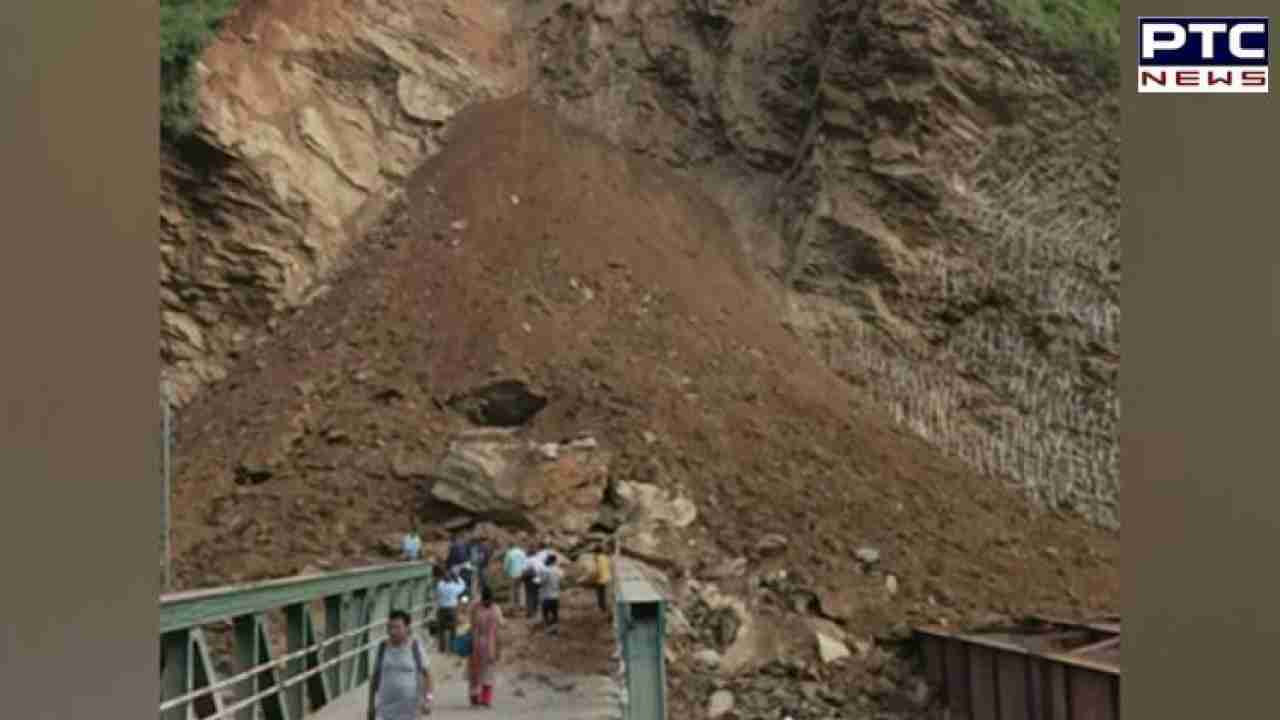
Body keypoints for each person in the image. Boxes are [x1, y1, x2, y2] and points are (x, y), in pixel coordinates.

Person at [367, 609, 433, 720]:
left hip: (411, 712)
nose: (392, 631)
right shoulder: (382, 647)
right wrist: (370, 706)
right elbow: (375, 677)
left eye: (397, 627)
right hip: (384, 711)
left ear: (407, 628)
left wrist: (428, 700)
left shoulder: (415, 647)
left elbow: (428, 675)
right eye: (390, 627)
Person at [466, 586, 505, 707]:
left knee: (483, 671)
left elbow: (500, 626)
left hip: (484, 643)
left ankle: (481, 698)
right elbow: (501, 625)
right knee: (480, 672)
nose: (487, 603)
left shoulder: (480, 608)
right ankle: (479, 697)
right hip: (482, 642)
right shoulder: (491, 609)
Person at [434, 568, 467, 654]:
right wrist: (457, 577)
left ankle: (442, 648)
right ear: (451, 579)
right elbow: (463, 585)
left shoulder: (440, 586)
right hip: (452, 609)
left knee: (441, 629)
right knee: (453, 629)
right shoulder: (454, 587)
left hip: (442, 610)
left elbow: (441, 581)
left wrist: (446, 576)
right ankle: (452, 648)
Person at [539, 554, 563, 635]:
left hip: (546, 596)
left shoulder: (547, 571)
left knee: (545, 614)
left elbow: (542, 582)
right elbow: (561, 582)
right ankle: (555, 632)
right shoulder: (559, 571)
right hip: (555, 596)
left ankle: (548, 631)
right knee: (554, 614)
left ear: (550, 561)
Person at [502, 542, 528, 608]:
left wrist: (505, 572)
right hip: (522, 573)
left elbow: (506, 564)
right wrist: (524, 571)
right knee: (521, 589)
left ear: (510, 546)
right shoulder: (522, 552)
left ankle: (513, 604)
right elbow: (525, 562)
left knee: (513, 589)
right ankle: (522, 604)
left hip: (512, 573)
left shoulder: (509, 553)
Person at [590, 547, 612, 614]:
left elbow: (597, 570)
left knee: (600, 594)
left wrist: (593, 578)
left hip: (600, 579)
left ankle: (602, 608)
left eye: (594, 552)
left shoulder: (597, 559)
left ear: (596, 552)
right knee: (605, 594)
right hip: (608, 577)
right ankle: (605, 608)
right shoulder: (606, 557)